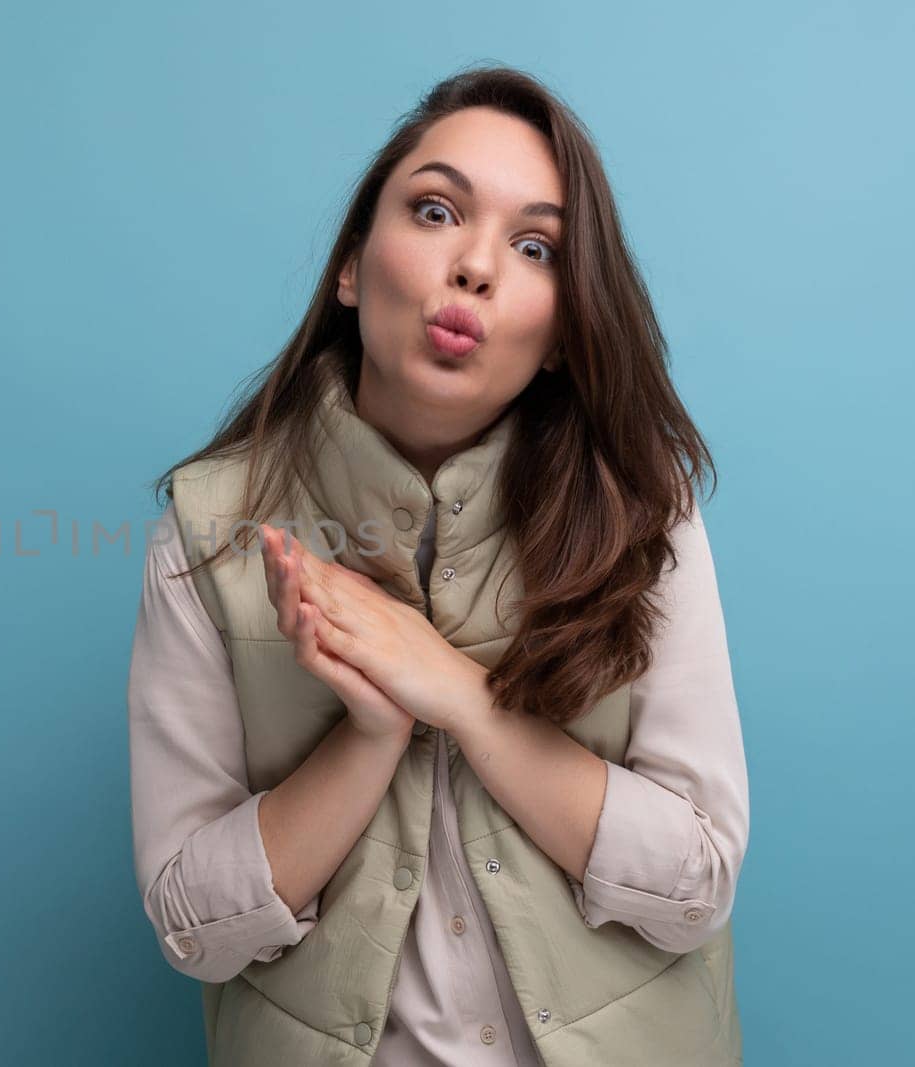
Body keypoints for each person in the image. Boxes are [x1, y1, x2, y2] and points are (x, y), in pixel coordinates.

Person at [126, 66, 750, 1067]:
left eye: (534, 244)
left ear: (561, 333)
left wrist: (455, 690)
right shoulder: (206, 535)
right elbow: (195, 929)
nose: (474, 266)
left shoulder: (645, 515)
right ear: (349, 265)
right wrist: (372, 729)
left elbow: (694, 885)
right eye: (434, 210)